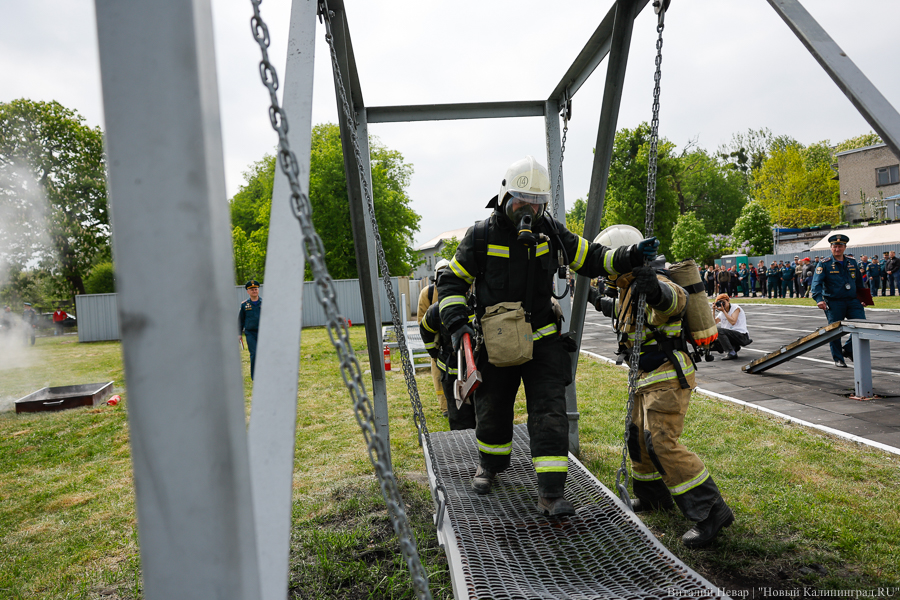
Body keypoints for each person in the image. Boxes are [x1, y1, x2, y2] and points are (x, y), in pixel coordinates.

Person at [436, 156, 659, 517]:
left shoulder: (551, 231)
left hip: (542, 338)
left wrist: (631, 254)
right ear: (504, 197)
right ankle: (489, 466)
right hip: (497, 340)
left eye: (537, 204)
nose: (529, 211)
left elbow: (592, 257)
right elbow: (452, 281)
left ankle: (552, 493)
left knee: (550, 412)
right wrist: (456, 322)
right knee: (492, 408)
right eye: (521, 202)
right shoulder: (481, 236)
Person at [589, 239, 734, 548]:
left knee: (661, 443)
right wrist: (594, 299)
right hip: (645, 376)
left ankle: (711, 511)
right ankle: (653, 497)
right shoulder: (629, 288)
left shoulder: (656, 279)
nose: (607, 271)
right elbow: (625, 312)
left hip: (667, 375)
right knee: (638, 437)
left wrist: (654, 289)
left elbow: (674, 301)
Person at [419, 295, 476, 431]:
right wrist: (436, 354)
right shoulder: (436, 310)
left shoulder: (478, 305)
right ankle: (463, 447)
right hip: (452, 374)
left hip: (478, 371)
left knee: (484, 413)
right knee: (459, 418)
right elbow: (425, 330)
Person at [810, 234, 866, 368]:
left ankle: (847, 349)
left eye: (840, 246)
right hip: (834, 302)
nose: (837, 249)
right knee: (835, 331)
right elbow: (816, 284)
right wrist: (819, 299)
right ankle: (838, 358)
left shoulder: (852, 262)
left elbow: (859, 282)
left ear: (845, 247)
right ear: (831, 247)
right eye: (834, 246)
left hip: (853, 301)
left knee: (862, 325)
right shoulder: (824, 264)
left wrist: (863, 298)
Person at [418, 259, 451, 417]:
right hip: (438, 340)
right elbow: (421, 321)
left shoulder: (460, 290)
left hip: (455, 338)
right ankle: (445, 408)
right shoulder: (427, 293)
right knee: (438, 374)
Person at [712, 294, 752, 360]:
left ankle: (731, 352)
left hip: (741, 335)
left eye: (723, 302)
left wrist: (723, 311)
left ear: (728, 300)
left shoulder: (735, 308)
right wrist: (713, 310)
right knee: (713, 340)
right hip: (732, 337)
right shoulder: (722, 312)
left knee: (718, 330)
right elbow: (713, 323)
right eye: (720, 302)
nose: (722, 304)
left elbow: (733, 322)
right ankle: (734, 347)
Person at [239, 280, 262, 379]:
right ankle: (255, 376)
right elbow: (240, 320)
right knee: (254, 354)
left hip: (263, 333)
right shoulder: (244, 305)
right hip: (251, 333)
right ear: (248, 291)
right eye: (251, 289)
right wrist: (239, 333)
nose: (254, 291)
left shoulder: (265, 303)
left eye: (256, 289)